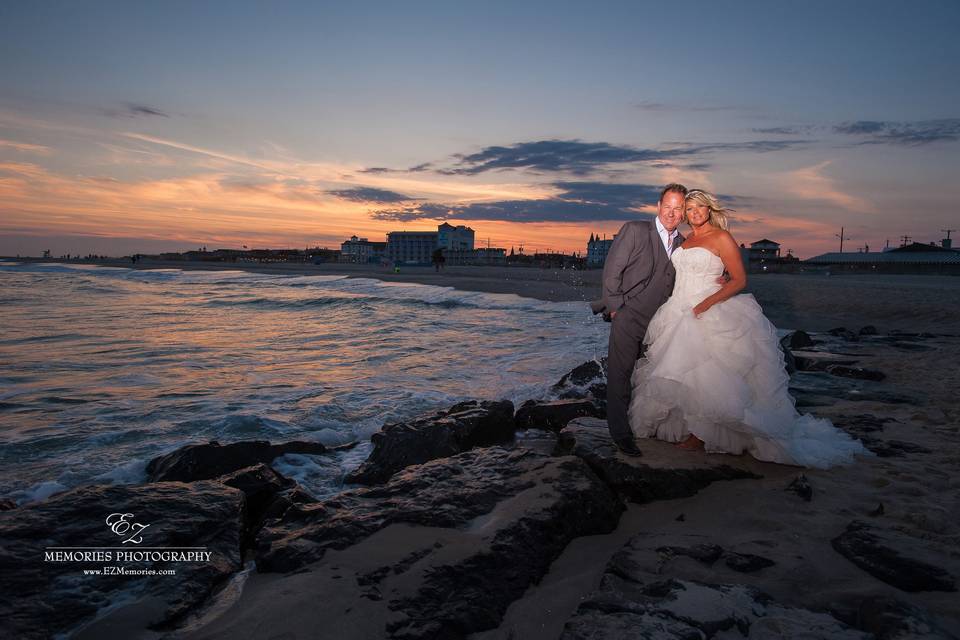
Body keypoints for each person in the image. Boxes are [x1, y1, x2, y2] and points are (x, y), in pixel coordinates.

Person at [627, 189, 868, 467]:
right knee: (682, 373)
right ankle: (687, 427)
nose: (694, 214)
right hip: (678, 308)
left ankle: (701, 435)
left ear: (709, 210)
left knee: (708, 374)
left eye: (699, 208)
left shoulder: (721, 237)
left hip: (708, 309)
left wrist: (706, 304)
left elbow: (739, 280)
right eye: (688, 209)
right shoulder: (687, 239)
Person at [590, 183, 688, 456]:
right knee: (620, 376)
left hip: (661, 322)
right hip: (628, 315)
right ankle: (620, 435)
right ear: (658, 207)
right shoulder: (635, 230)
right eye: (667, 206)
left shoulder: (683, 244)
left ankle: (647, 423)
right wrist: (617, 309)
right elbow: (612, 272)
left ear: (683, 213)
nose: (671, 213)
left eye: (677, 208)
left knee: (652, 375)